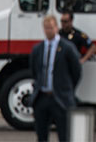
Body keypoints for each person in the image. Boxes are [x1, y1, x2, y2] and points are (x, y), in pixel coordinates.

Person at [29, 14, 81, 142]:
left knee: (64, 135)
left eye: (51, 28)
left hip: (60, 98)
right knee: (41, 135)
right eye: (46, 28)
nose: (49, 31)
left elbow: (76, 71)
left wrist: (67, 88)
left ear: (56, 28)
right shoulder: (38, 49)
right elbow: (35, 71)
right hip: (42, 98)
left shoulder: (67, 48)